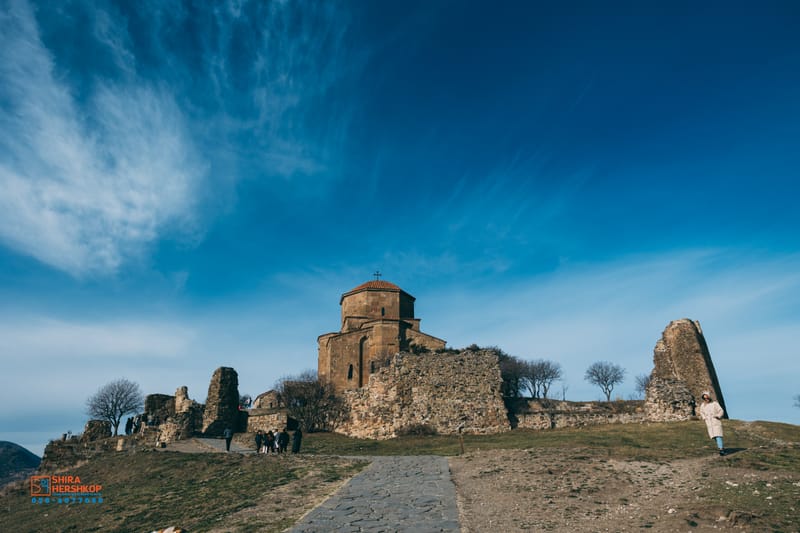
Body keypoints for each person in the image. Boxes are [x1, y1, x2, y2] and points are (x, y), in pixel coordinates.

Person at [699, 391, 725, 455]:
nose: (706, 399)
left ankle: (721, 449)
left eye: (707, 398)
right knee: (714, 436)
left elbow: (721, 410)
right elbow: (701, 412)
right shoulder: (703, 405)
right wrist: (704, 418)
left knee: (718, 435)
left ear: (709, 397)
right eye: (704, 398)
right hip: (709, 423)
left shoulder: (715, 403)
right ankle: (720, 447)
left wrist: (718, 416)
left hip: (715, 421)